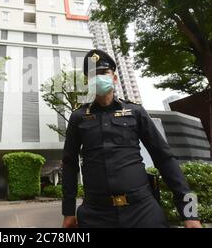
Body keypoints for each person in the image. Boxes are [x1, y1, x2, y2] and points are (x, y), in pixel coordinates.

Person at [62, 49, 202, 228]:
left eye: (103, 73)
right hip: (95, 214)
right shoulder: (78, 117)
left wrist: (191, 213)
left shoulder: (135, 112)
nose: (98, 78)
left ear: (114, 78)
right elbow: (69, 164)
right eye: (92, 75)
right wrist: (68, 212)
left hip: (143, 211)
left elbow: (165, 158)